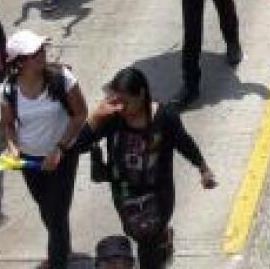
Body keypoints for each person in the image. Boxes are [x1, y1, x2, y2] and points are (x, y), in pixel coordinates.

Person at [77, 65, 214, 268]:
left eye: (125, 101)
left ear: (141, 95)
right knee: (137, 233)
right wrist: (95, 118)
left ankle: (158, 246)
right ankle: (162, 241)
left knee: (148, 242)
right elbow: (78, 146)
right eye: (117, 100)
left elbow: (184, 143)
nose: (121, 107)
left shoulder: (166, 117)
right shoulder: (112, 118)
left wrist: (203, 168)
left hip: (158, 194)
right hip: (124, 193)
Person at [0, 29, 88, 269]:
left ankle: (57, 259)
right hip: (30, 161)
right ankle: (62, 246)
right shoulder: (8, 90)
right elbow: (8, 125)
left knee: (56, 215)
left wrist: (59, 149)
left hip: (63, 156)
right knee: (47, 210)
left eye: (41, 49)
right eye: (34, 53)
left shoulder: (63, 78)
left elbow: (80, 114)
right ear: (19, 63)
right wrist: (12, 146)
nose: (42, 54)